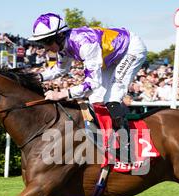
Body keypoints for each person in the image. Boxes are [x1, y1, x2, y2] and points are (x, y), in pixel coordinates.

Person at [28, 13, 148, 148]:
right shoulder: (63, 48)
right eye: (42, 43)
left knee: (113, 97)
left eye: (47, 42)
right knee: (95, 99)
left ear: (60, 36)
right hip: (110, 57)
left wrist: (61, 94)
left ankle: (130, 142)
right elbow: (60, 70)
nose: (46, 47)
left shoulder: (85, 43)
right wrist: (35, 77)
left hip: (130, 49)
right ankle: (110, 138)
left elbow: (92, 83)